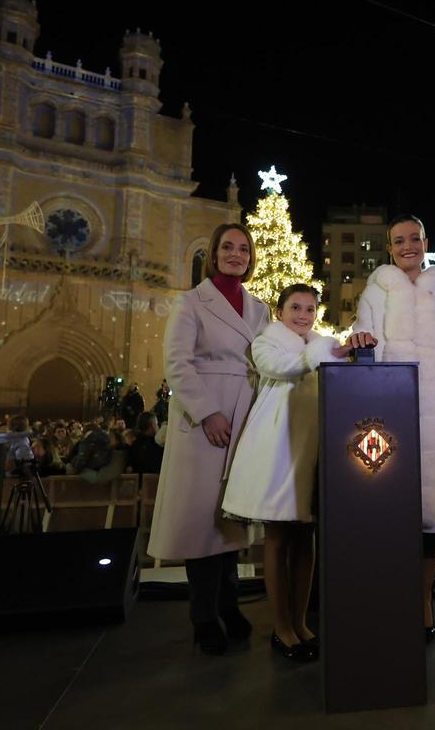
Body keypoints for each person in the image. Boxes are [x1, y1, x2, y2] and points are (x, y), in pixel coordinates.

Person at [148, 223, 269, 656]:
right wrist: (207, 412)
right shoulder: (191, 303)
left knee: (230, 520)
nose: (236, 254)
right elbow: (177, 364)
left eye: (244, 248)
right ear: (214, 254)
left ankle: (229, 604)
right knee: (202, 523)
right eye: (228, 247)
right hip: (205, 423)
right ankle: (203, 616)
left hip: (244, 417)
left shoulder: (260, 309)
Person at [348, 214, 435, 642]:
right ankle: (388, 598)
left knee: (430, 527)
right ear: (390, 247)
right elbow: (365, 335)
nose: (408, 246)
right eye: (399, 241)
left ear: (426, 240)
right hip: (392, 410)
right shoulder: (378, 287)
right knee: (391, 510)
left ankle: (423, 599)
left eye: (415, 238)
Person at [223, 285, 356, 661]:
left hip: (313, 452)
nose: (303, 314)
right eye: (295, 307)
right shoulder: (267, 342)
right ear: (279, 311)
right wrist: (325, 349)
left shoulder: (319, 346)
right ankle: (281, 627)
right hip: (277, 451)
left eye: (310, 308)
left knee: (305, 541)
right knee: (279, 540)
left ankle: (300, 621)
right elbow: (280, 368)